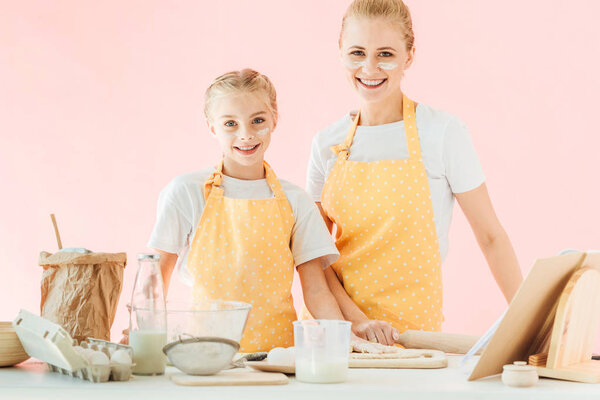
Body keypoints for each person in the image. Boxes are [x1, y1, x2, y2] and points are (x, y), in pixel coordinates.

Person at [306, 0, 523, 346]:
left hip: (414, 339)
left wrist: (532, 325)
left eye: (386, 54)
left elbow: (491, 238)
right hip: (336, 334)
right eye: (358, 53)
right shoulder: (326, 144)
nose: (370, 68)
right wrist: (358, 324)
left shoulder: (442, 133)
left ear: (409, 57)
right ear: (341, 53)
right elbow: (314, 256)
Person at [147, 69, 391, 353]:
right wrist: (142, 331)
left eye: (258, 121)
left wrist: (342, 337)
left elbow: (315, 290)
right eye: (230, 123)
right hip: (207, 358)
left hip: (278, 360)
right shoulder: (185, 192)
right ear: (212, 126)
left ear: (274, 119)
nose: (246, 135)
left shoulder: (295, 200)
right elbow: (155, 277)